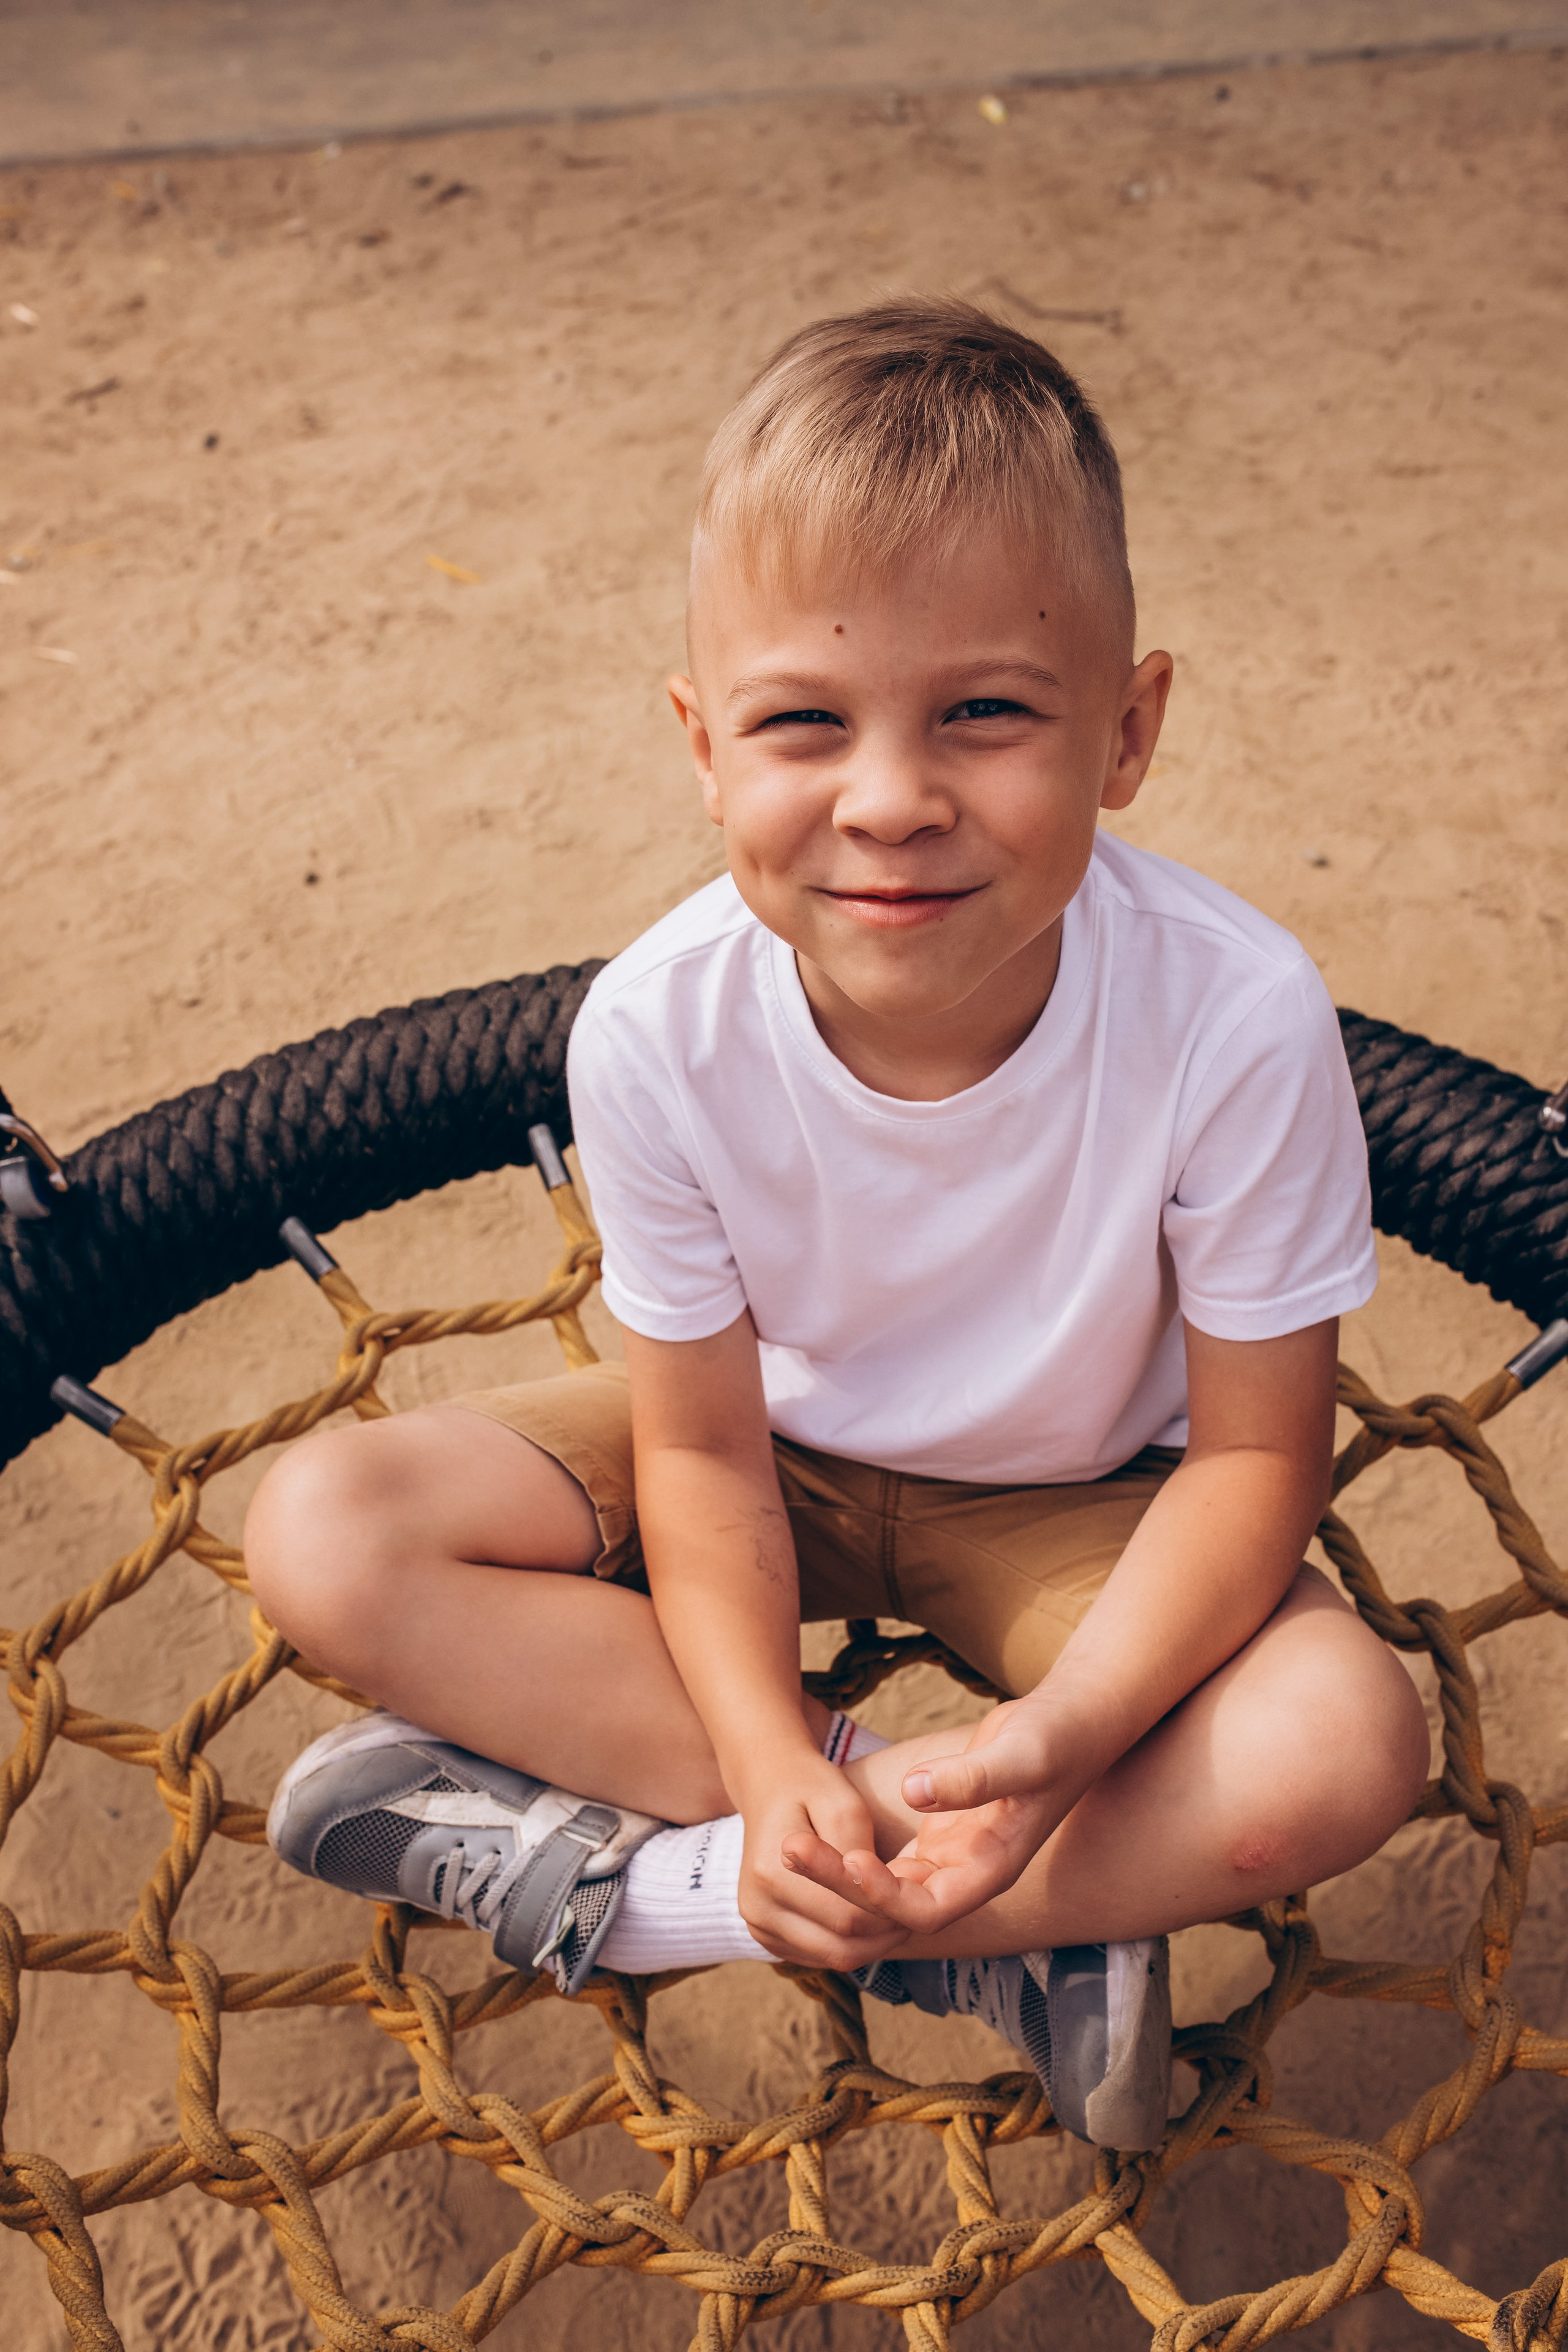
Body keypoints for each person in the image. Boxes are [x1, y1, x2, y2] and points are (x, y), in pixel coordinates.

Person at [246, 299, 1429, 2151]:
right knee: (328, 1528)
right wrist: (774, 1755)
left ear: (1127, 732)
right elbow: (701, 1457)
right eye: (805, 720)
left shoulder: (1233, 1011)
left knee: (1344, 1743)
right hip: (768, 1451)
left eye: (987, 712)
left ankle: (662, 1898)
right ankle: (953, 1898)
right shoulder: (659, 1028)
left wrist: (1068, 1739)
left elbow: (1258, 1461)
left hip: (1085, 1501)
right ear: (702, 744)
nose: (891, 800)